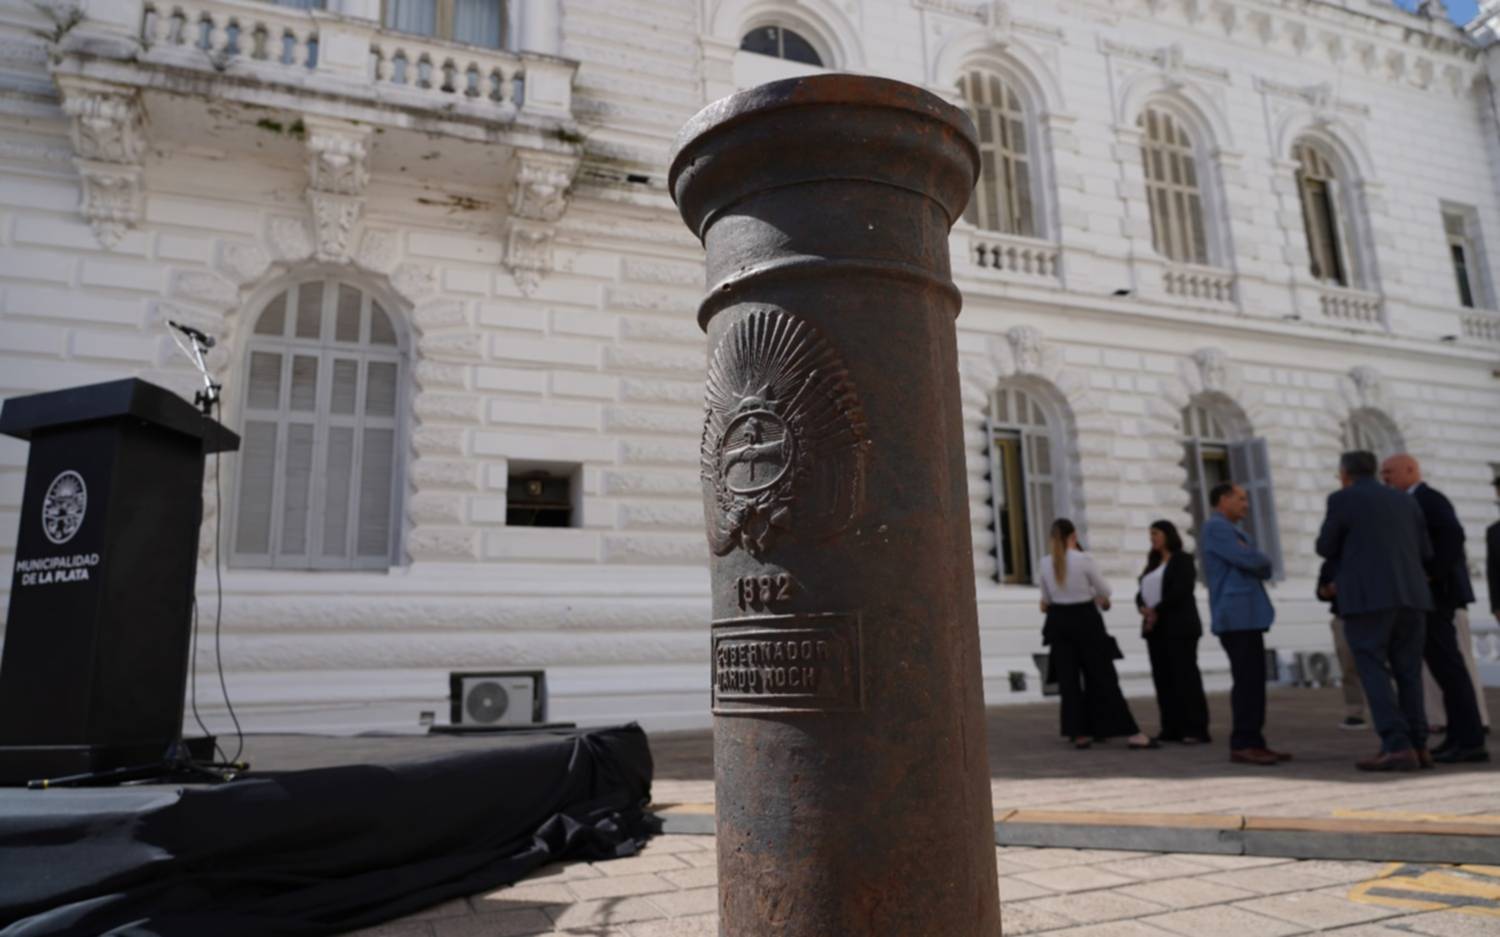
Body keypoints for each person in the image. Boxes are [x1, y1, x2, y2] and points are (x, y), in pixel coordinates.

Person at [1318, 451, 1434, 771]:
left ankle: (1396, 746)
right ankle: (1419, 744)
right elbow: (1426, 551)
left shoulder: (1342, 499)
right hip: (1412, 596)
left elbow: (1325, 546)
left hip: (1368, 599)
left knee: (1373, 670)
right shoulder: (1405, 501)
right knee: (1409, 672)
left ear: (1345, 473)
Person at [1380, 454, 1489, 764]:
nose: (1385, 478)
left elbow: (1453, 537)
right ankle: (1458, 736)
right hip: (1426, 596)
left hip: (1436, 596)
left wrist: (1431, 575)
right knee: (1443, 670)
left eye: (1390, 472)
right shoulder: (1411, 501)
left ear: (1411, 470)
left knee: (1450, 668)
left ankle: (1470, 740)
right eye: (1382, 473)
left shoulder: (1430, 499)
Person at [1039, 518, 1157, 750]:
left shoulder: (1044, 562)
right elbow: (1105, 590)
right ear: (1073, 536)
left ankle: (1079, 732)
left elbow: (1047, 598)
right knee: (1103, 676)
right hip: (1086, 620)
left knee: (1069, 681)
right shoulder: (1084, 559)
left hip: (1059, 622)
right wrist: (1093, 594)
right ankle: (1130, 732)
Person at [1199, 482, 1290, 766]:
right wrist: (1257, 558)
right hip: (1236, 615)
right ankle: (1243, 742)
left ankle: (1254, 740)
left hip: (1247, 615)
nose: (1246, 505)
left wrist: (1256, 559)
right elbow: (1255, 561)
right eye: (1240, 499)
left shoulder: (1233, 531)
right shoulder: (1217, 528)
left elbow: (1257, 562)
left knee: (1253, 681)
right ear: (1223, 500)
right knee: (1247, 681)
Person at [1135, 520, 1210, 744]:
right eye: (1150, 535)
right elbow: (1141, 590)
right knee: (1163, 678)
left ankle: (1195, 728)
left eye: (1156, 534)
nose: (1153, 539)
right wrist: (1143, 607)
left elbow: (1182, 590)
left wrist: (1157, 608)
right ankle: (1171, 726)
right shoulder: (1153, 562)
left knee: (1185, 677)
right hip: (1155, 629)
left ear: (1168, 534)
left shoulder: (1183, 560)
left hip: (1179, 626)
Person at [1317, 557, 1368, 731]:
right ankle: (1355, 712)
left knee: (1381, 666)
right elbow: (1320, 592)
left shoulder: (1371, 556)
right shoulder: (1332, 563)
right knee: (1348, 666)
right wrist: (1328, 591)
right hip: (1343, 617)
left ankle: (1394, 712)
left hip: (1371, 617)